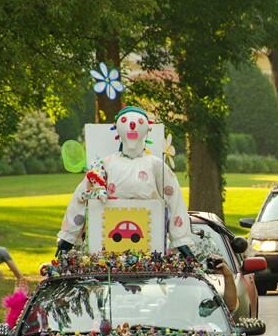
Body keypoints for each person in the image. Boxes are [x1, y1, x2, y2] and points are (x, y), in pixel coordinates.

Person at [57, 106, 193, 256]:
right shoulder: (104, 164)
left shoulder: (156, 165)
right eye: (125, 121)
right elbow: (82, 196)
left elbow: (174, 199)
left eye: (138, 122)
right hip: (104, 250)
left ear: (148, 129)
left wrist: (181, 240)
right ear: (117, 128)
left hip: (151, 246)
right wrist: (68, 236)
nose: (132, 125)